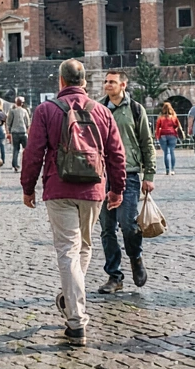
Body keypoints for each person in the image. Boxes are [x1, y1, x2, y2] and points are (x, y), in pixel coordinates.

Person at [21, 59, 127, 347]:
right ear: (84, 82)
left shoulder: (45, 110)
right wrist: (117, 189)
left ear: (61, 81)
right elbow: (117, 155)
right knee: (85, 246)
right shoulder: (103, 112)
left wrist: (27, 187)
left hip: (58, 186)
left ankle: (76, 317)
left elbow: (33, 153)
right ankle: (72, 300)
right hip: (94, 189)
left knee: (68, 250)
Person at [96, 70, 155, 293]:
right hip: (102, 175)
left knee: (128, 224)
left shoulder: (135, 109)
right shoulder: (97, 109)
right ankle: (114, 275)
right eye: (105, 82)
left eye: (112, 82)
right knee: (107, 228)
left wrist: (149, 175)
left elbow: (146, 143)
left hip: (128, 173)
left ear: (123, 85)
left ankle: (136, 257)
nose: (107, 85)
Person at [154, 102, 182, 176]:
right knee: (172, 152)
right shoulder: (173, 117)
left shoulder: (160, 118)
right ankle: (172, 169)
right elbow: (177, 125)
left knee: (166, 153)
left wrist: (157, 136)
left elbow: (157, 128)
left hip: (163, 135)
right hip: (172, 134)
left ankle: (167, 169)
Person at [9, 96, 31, 170]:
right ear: (22, 103)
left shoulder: (12, 111)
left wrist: (9, 131)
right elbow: (28, 122)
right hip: (23, 132)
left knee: (16, 149)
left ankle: (15, 165)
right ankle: (27, 163)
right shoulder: (25, 111)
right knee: (26, 149)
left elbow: (9, 122)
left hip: (15, 132)